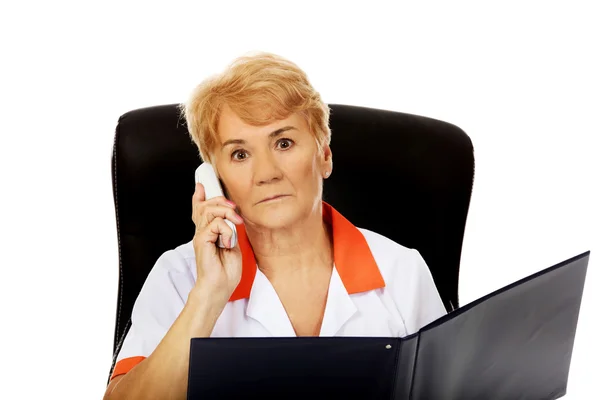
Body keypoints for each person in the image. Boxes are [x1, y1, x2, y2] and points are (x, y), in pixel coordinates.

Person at [103, 52, 447, 400]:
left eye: (284, 143)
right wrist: (208, 296)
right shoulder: (181, 277)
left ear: (324, 155)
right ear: (215, 177)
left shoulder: (402, 272)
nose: (267, 173)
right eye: (240, 154)